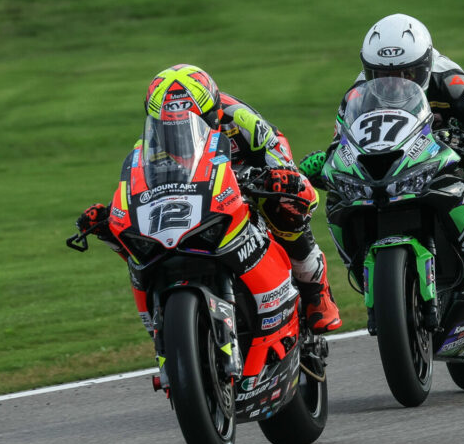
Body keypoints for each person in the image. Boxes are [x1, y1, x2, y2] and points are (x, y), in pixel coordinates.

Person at [77, 64, 342, 334]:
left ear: (213, 113)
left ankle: (316, 291)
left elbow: (280, 159)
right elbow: (142, 184)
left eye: (189, 121)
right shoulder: (151, 142)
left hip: (249, 172)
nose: (177, 131)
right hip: (200, 188)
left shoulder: (241, 120)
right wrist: (113, 214)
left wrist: (280, 177)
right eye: (169, 125)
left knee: (283, 206)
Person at [301, 13, 464, 299]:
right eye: (381, 75)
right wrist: (326, 162)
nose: (394, 84)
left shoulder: (452, 81)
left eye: (407, 74)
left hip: (447, 160)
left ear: (427, 63)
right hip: (393, 168)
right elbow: (342, 143)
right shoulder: (357, 94)